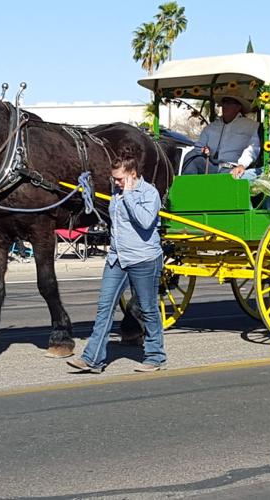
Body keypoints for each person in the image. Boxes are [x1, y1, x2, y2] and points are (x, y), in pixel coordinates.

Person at [68, 155, 166, 374]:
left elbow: (145, 222)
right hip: (117, 259)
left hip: (143, 259)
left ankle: (155, 356)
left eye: (120, 179)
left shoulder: (149, 193)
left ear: (133, 175)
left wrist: (129, 195)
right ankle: (92, 358)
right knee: (105, 307)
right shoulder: (117, 192)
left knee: (148, 309)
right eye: (114, 179)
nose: (116, 183)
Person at [181, 92, 259, 175]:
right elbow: (198, 148)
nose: (225, 106)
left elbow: (253, 148)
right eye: (224, 103)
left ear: (238, 107)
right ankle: (186, 183)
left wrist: (242, 165)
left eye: (229, 103)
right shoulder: (211, 127)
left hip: (233, 169)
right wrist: (203, 150)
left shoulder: (251, 126)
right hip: (211, 167)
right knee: (191, 156)